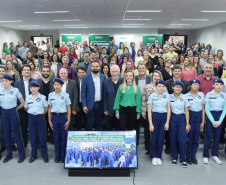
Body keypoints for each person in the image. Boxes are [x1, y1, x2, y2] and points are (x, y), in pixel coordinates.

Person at [0, 74, 25, 163]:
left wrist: (16, 109)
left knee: (17, 133)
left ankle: (21, 154)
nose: (4, 82)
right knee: (6, 133)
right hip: (4, 113)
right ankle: (9, 154)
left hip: (13, 112)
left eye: (6, 81)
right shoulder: (1, 90)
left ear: (11, 81)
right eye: (3, 81)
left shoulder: (15, 91)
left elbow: (22, 102)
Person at [24, 81, 49, 163]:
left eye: (34, 87)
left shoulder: (42, 97)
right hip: (31, 118)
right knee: (33, 137)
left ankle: (44, 155)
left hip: (40, 118)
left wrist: (40, 114)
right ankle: (33, 155)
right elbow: (26, 108)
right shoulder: (28, 97)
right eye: (31, 87)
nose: (33, 89)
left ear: (38, 88)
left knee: (42, 137)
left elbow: (46, 108)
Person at [203, 78, 226, 165]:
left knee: (217, 137)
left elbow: (224, 110)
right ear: (213, 85)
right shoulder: (209, 94)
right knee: (208, 136)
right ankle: (205, 155)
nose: (218, 86)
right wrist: (213, 121)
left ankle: (215, 154)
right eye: (216, 84)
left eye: (220, 85)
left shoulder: (224, 95)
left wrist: (219, 121)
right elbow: (207, 109)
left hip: (220, 116)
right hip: (210, 116)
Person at [48, 78, 71, 163]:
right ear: (53, 85)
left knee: (63, 137)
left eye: (58, 85)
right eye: (55, 84)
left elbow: (68, 108)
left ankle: (63, 155)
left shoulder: (65, 95)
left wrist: (68, 120)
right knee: (56, 137)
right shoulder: (50, 95)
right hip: (54, 117)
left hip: (63, 117)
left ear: (61, 86)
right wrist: (49, 120)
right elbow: (49, 108)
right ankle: (57, 155)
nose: (56, 86)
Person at [142, 70, 165, 155]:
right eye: (154, 76)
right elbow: (144, 100)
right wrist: (143, 112)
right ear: (152, 77)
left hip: (160, 113)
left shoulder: (164, 87)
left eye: (157, 76)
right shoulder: (147, 87)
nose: (156, 77)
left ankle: (158, 150)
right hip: (149, 113)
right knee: (149, 131)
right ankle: (149, 149)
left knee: (159, 133)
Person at [148, 79, 170, 166]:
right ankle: (154, 156)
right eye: (159, 86)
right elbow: (149, 111)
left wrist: (167, 122)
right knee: (154, 138)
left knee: (161, 138)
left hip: (164, 117)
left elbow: (169, 109)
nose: (161, 88)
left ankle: (158, 156)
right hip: (155, 117)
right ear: (156, 87)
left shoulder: (167, 96)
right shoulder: (152, 96)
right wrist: (151, 124)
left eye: (162, 86)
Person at [170, 81, 190, 168]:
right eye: (176, 87)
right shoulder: (169, 97)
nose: (178, 88)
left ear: (182, 89)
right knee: (173, 138)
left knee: (182, 140)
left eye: (180, 87)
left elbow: (186, 111)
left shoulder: (184, 97)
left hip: (182, 119)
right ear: (173, 87)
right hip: (173, 118)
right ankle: (174, 157)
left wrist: (187, 124)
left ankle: (183, 159)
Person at [81, 61, 106, 131]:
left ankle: (97, 140)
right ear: (91, 67)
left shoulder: (103, 77)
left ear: (99, 67)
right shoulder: (85, 77)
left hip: (100, 104)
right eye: (94, 66)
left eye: (97, 66)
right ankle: (88, 140)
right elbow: (83, 93)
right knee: (89, 124)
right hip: (89, 105)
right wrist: (84, 105)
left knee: (98, 123)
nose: (95, 68)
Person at [15, 64, 35, 148]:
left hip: (33, 108)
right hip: (22, 108)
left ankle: (35, 145)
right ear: (22, 71)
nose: (26, 71)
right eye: (25, 70)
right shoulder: (17, 82)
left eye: (28, 70)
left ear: (30, 71)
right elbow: (16, 97)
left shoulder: (34, 81)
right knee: (23, 127)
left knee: (33, 129)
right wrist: (21, 106)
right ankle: (24, 145)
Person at [186, 79, 205, 165]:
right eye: (194, 84)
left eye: (198, 85)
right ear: (190, 85)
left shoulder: (201, 95)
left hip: (199, 116)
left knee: (196, 138)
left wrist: (203, 121)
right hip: (191, 116)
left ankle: (193, 155)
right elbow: (186, 111)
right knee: (190, 137)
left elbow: (203, 109)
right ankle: (188, 156)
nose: (196, 86)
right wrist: (187, 123)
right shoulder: (186, 96)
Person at [104, 65, 124, 131]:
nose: (114, 73)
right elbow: (104, 97)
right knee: (109, 129)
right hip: (110, 110)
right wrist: (105, 109)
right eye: (113, 72)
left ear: (119, 72)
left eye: (116, 71)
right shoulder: (106, 82)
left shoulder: (123, 81)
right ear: (110, 72)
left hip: (120, 109)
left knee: (119, 129)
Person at [75, 66, 87, 130]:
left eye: (83, 72)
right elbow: (74, 95)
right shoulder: (75, 82)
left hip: (87, 104)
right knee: (78, 121)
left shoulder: (89, 81)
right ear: (77, 73)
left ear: (86, 73)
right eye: (79, 72)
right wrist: (76, 105)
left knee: (87, 121)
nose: (81, 74)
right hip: (78, 104)